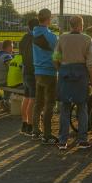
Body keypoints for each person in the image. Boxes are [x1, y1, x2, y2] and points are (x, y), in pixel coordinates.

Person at [54, 15, 92, 150]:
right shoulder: (87, 39)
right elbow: (91, 64)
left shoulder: (62, 38)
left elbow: (55, 58)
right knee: (82, 107)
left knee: (65, 108)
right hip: (81, 75)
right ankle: (82, 140)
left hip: (65, 73)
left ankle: (62, 141)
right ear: (81, 25)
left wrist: (60, 69)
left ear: (70, 25)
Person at [32, 9, 59, 143]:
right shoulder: (52, 37)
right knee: (49, 104)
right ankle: (47, 134)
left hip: (38, 71)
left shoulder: (34, 33)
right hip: (50, 72)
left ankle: (35, 130)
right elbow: (57, 55)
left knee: (38, 102)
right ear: (48, 19)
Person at [18, 18, 38, 136]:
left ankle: (24, 123)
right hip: (32, 71)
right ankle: (30, 126)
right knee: (33, 99)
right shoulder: (34, 39)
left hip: (25, 71)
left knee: (26, 97)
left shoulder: (24, 38)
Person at [0, 40, 14, 112]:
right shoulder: (6, 56)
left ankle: (5, 100)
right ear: (9, 47)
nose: (12, 49)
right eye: (12, 47)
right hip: (2, 81)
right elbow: (12, 68)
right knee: (16, 82)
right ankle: (6, 101)